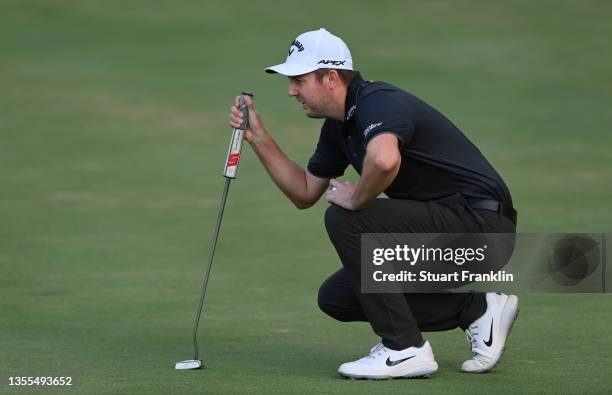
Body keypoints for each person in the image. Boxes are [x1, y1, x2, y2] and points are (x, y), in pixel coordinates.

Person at [229, 28, 519, 380]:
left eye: (300, 80)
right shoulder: (339, 128)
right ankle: (477, 309)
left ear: (330, 77)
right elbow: (305, 192)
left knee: (347, 218)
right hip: (450, 232)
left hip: (481, 227)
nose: (291, 91)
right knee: (339, 296)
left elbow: (384, 161)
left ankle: (405, 349)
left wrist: (359, 197)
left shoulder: (376, 102)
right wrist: (258, 137)